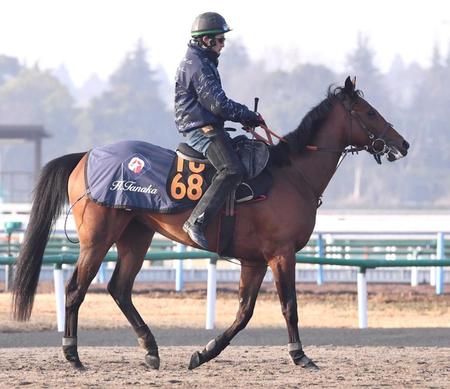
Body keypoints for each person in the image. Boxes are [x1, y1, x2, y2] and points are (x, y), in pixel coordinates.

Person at [174, 11, 265, 249]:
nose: (223, 45)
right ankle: (196, 222)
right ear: (206, 40)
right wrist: (248, 115)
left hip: (206, 125)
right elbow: (218, 104)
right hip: (200, 130)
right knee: (231, 168)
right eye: (220, 40)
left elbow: (217, 106)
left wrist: (245, 118)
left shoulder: (201, 61)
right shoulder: (198, 65)